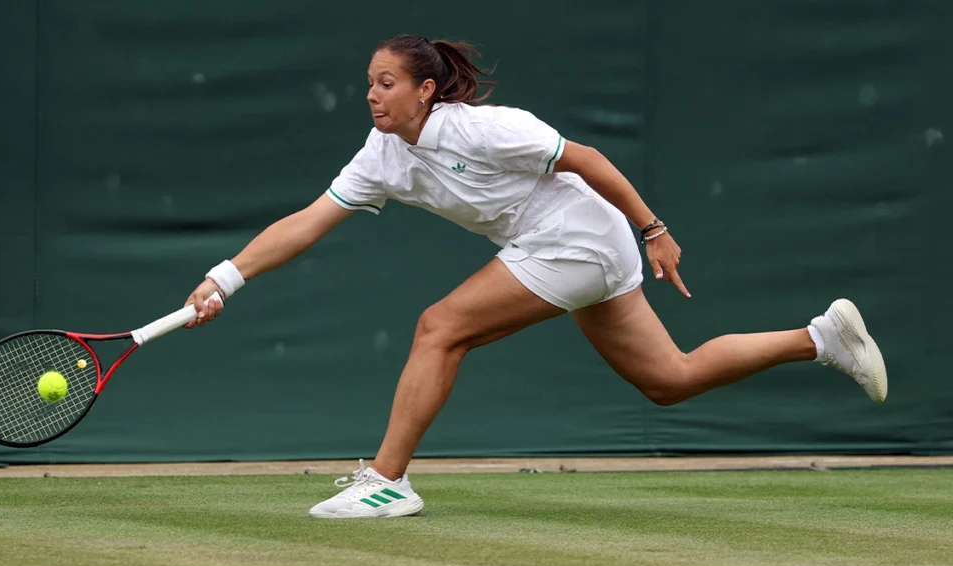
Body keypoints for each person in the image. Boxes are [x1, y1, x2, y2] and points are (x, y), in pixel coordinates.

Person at [183, 34, 887, 519]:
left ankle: (388, 482)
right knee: (668, 379)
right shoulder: (381, 154)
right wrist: (224, 278)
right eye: (368, 83)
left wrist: (655, 229)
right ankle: (821, 338)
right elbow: (306, 221)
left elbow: (587, 159)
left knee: (440, 326)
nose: (372, 95)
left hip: (580, 236)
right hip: (562, 246)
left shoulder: (483, 129)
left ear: (426, 90)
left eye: (387, 83)